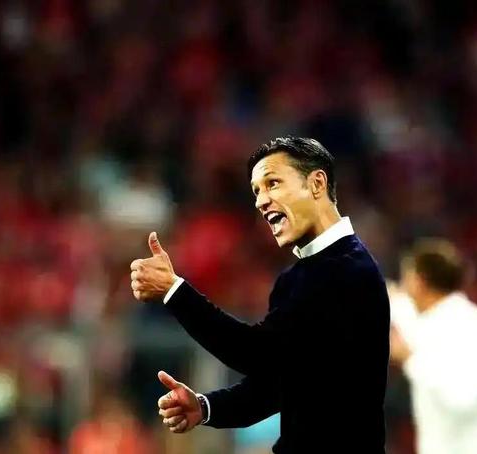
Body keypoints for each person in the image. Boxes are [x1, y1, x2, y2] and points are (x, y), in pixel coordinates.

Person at [130, 136, 390, 453]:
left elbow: (256, 356)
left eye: (272, 183)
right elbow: (279, 384)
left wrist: (174, 291)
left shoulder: (350, 271)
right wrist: (206, 407)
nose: (261, 201)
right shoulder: (297, 278)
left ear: (317, 183)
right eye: (256, 191)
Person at [389, 239, 477, 454]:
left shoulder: (466, 327)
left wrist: (409, 359)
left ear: (419, 281)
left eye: (406, 278)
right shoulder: (436, 320)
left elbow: (463, 399)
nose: (404, 286)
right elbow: (400, 309)